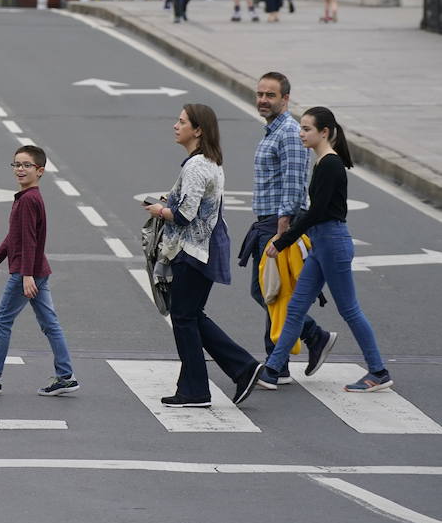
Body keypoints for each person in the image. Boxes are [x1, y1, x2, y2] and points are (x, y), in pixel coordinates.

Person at [257, 107, 391, 393]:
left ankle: (378, 370)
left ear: (324, 132)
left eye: (306, 129)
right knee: (295, 307)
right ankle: (271, 371)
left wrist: (283, 241)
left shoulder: (330, 164)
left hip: (332, 242)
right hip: (322, 243)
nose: (301, 133)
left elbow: (317, 212)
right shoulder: (321, 163)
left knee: (349, 309)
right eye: (301, 128)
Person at [144, 104, 262, 408]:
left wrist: (160, 211)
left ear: (198, 130)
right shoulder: (209, 162)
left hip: (194, 250)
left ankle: (197, 390)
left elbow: (184, 215)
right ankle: (242, 369)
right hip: (204, 248)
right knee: (192, 315)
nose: (175, 125)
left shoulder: (196, 166)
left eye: (181, 121)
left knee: (184, 318)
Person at [0, 146, 79, 397]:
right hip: (37, 269)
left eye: (26, 165)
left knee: (2, 319)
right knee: (50, 324)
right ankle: (65, 376)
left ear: (40, 171)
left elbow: (29, 241)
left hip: (27, 272)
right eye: (16, 164)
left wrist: (25, 276)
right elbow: (14, 238)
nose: (20, 169)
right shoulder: (29, 198)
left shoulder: (28, 200)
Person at [238, 73, 332, 388]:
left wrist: (283, 230)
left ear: (286, 99)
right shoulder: (273, 131)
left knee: (274, 291)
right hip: (267, 221)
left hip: (279, 223)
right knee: (265, 290)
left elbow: (294, 180)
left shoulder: (289, 133)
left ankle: (277, 365)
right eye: (260, 94)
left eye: (271, 95)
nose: (263, 100)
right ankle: (312, 337)